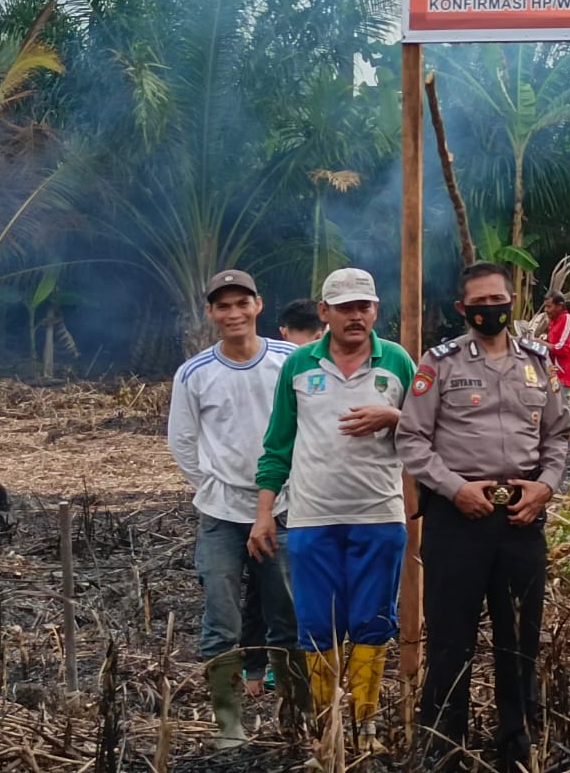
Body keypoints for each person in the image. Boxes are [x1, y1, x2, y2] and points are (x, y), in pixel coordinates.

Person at [396, 261, 570, 771]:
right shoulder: (440, 363)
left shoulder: (539, 363)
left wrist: (544, 488)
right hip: (458, 521)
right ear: (463, 309)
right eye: (479, 303)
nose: (490, 309)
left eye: (498, 299)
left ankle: (516, 748)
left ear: (512, 301)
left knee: (518, 640)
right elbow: (411, 438)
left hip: (521, 520)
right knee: (451, 640)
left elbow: (558, 436)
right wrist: (455, 490)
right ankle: (442, 747)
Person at [251, 267, 416, 749]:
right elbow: (278, 444)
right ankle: (328, 726)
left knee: (372, 622)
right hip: (311, 519)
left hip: (380, 517)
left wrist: (396, 416)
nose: (355, 316)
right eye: (344, 307)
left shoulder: (398, 363)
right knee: (318, 624)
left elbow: (428, 431)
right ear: (324, 312)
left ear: (375, 311)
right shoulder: (299, 366)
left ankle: (364, 726)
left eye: (363, 306)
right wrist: (265, 512)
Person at [167, 270, 309, 747]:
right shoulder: (193, 373)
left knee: (287, 615)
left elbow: (311, 423)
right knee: (221, 618)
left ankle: (297, 717)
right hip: (221, 514)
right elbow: (182, 442)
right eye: (222, 306)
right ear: (211, 313)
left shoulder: (290, 361)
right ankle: (229, 725)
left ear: (258, 306)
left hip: (285, 508)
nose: (233, 314)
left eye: (241, 304)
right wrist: (212, 485)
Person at [240, 298, 325, 696]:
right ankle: (258, 668)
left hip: (293, 497)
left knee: (276, 587)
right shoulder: (293, 365)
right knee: (267, 587)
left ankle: (274, 671)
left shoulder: (302, 364)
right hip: (252, 496)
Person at [543, 290, 570, 388]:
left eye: (549, 306)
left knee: (560, 403)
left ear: (559, 306)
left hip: (563, 377)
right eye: (545, 306)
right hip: (554, 375)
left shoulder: (567, 319)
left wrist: (540, 342)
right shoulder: (553, 321)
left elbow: (562, 348)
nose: (546, 310)